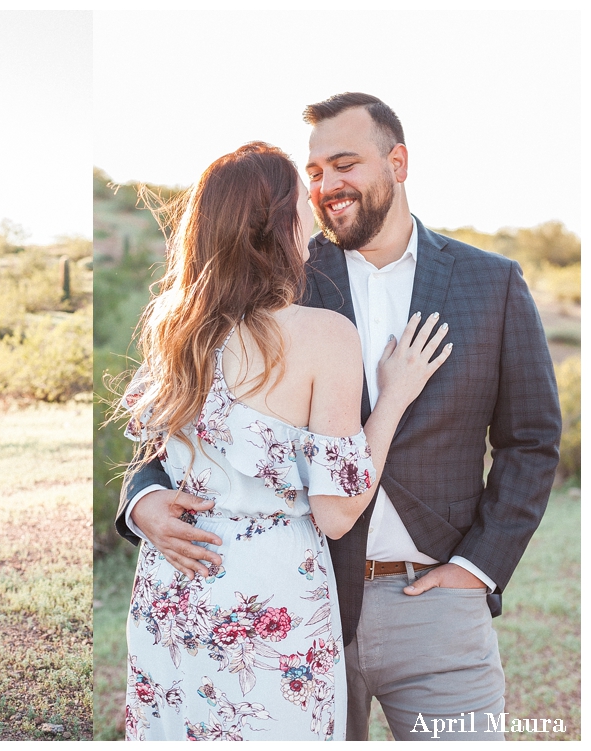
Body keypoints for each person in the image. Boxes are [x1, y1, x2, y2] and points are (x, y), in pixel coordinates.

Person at [119, 94, 562, 741]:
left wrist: (477, 568)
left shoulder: (490, 281)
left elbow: (531, 441)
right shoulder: (284, 277)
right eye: (314, 171)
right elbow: (177, 433)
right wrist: (143, 499)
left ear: (397, 161)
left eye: (343, 163)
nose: (325, 186)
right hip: (308, 592)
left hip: (432, 602)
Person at [117, 141, 452, 741]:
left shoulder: (173, 327)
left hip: (174, 586)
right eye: (304, 199)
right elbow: (337, 509)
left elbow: (151, 450)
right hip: (270, 591)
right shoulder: (324, 336)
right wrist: (396, 394)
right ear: (283, 225)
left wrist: (144, 504)